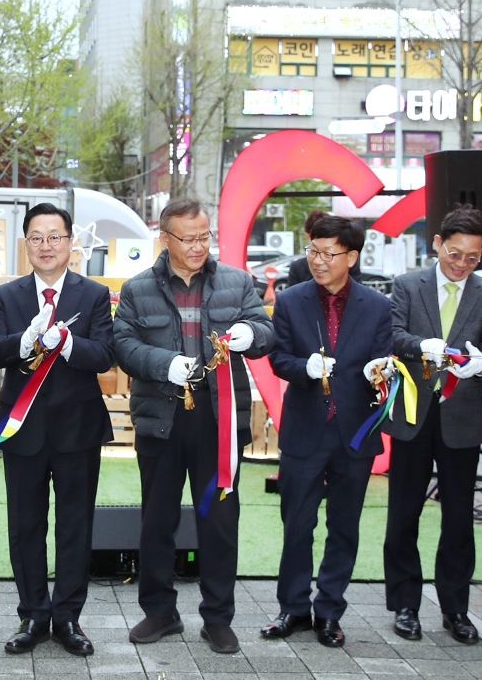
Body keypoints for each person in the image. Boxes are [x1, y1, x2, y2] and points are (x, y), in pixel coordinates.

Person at [114, 199, 274, 654]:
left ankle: (218, 618)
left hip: (219, 420)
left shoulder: (238, 282)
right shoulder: (138, 288)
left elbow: (265, 334)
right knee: (157, 520)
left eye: (205, 236)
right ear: (164, 239)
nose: (199, 246)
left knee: (220, 522)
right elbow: (122, 344)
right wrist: (165, 364)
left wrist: (251, 335)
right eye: (189, 238)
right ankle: (159, 613)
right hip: (161, 420)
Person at [0, 203, 115, 658]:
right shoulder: (9, 295)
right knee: (25, 526)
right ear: (26, 245)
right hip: (24, 430)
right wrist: (25, 341)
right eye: (36, 237)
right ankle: (34, 614)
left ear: (70, 241)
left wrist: (69, 342)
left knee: (75, 525)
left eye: (54, 236)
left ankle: (68, 617)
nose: (46, 245)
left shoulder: (93, 294)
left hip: (78, 430)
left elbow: (105, 355)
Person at [261, 214, 391, 649]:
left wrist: (380, 370)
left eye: (328, 253)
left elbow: (383, 357)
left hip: (355, 434)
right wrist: (305, 369)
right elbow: (278, 358)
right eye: (313, 251)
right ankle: (293, 607)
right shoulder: (293, 300)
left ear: (351, 257)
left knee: (344, 527)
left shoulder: (377, 306)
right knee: (296, 523)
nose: (318, 261)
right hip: (304, 431)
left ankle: (330, 610)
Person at [381, 206, 482, 645]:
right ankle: (404, 605)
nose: (461, 264)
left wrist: (481, 364)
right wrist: (421, 346)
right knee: (404, 513)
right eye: (455, 254)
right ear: (437, 243)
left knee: (458, 518)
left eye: (472, 258)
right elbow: (393, 334)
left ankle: (456, 608)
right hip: (414, 414)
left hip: (461, 418)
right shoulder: (408, 285)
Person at [286, 210, 363, 288]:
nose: (317, 261)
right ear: (308, 236)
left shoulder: (348, 264)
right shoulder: (297, 268)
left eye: (328, 254)